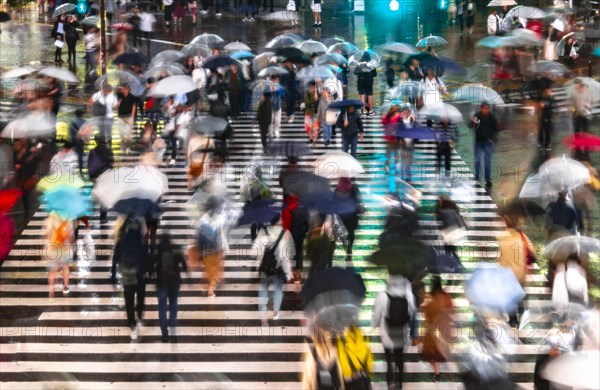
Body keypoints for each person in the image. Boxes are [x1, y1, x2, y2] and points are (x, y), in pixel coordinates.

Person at [371, 274, 416, 389]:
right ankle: (399, 383)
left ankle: (390, 381)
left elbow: (376, 314)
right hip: (400, 331)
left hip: (387, 332)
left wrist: (374, 326)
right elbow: (412, 313)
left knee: (388, 359)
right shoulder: (408, 295)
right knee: (399, 356)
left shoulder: (383, 295)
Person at [112, 216, 149, 340]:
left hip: (127, 277)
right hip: (140, 278)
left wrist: (113, 277)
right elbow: (147, 259)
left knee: (128, 302)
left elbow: (114, 260)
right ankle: (139, 316)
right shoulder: (141, 243)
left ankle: (132, 325)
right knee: (140, 298)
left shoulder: (121, 243)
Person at [497, 216, 535, 328]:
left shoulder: (501, 237)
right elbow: (532, 252)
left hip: (506, 273)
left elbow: (500, 255)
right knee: (520, 295)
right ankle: (522, 315)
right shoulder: (522, 236)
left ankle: (513, 320)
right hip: (520, 272)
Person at [255, 222, 294, 323]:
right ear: (278, 220)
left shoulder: (262, 231)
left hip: (265, 267)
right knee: (278, 290)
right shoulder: (285, 233)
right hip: (278, 268)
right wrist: (288, 272)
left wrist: (258, 264)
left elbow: (256, 250)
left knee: (263, 288)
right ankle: (275, 313)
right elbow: (287, 255)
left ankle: (262, 311)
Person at [155, 234, 187, 342]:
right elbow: (184, 265)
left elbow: (150, 264)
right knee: (173, 305)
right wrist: (188, 277)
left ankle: (165, 333)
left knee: (162, 308)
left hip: (162, 283)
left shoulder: (157, 250)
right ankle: (173, 327)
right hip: (174, 283)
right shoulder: (177, 249)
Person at [422, 276, 454, 382]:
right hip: (445, 330)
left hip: (433, 332)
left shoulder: (431, 301)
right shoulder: (446, 298)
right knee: (443, 352)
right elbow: (452, 312)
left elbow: (427, 316)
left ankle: (437, 374)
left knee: (432, 355)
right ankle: (448, 371)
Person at [469, 102, 499, 189]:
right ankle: (477, 177)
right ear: (481, 108)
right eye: (484, 108)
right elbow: (471, 126)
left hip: (488, 142)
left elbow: (496, 129)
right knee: (478, 161)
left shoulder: (492, 117)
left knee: (488, 162)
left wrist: (493, 139)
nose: (486, 110)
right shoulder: (477, 116)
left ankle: (487, 179)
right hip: (478, 142)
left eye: (487, 108)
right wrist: (472, 122)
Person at [45, 211, 75, 298]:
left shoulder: (51, 216)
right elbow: (71, 236)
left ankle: (51, 291)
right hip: (65, 248)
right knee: (65, 267)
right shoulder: (68, 217)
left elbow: (48, 233)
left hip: (53, 248)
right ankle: (65, 287)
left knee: (52, 270)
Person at [281, 194, 309, 284]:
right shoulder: (304, 209)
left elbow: (286, 224)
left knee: (288, 253)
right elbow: (307, 223)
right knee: (299, 253)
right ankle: (298, 271)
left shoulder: (288, 209)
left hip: (290, 234)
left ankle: (288, 272)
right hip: (300, 234)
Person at [335, 177, 363, 263]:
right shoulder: (354, 189)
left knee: (342, 232)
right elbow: (359, 200)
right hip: (351, 214)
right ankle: (349, 248)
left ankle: (345, 245)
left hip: (341, 215)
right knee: (351, 232)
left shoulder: (337, 190)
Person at [87, 135, 114, 224]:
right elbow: (112, 163)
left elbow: (90, 165)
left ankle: (89, 212)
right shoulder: (109, 151)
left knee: (97, 194)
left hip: (97, 176)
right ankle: (103, 217)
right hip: (106, 175)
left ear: (96, 141)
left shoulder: (92, 152)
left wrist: (91, 176)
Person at [13, 139, 40, 219]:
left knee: (27, 193)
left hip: (29, 175)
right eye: (15, 144)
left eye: (17, 144)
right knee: (24, 195)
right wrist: (16, 166)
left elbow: (35, 162)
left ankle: (30, 210)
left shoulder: (30, 152)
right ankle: (27, 211)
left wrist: (35, 173)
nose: (16, 146)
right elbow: (15, 163)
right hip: (21, 176)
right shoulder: (15, 154)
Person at [116, 84, 136, 154]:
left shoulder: (132, 97)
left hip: (128, 117)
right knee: (121, 133)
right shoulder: (119, 96)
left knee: (129, 136)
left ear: (128, 90)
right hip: (120, 117)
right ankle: (123, 146)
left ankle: (128, 147)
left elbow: (134, 106)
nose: (124, 91)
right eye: (123, 89)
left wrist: (132, 115)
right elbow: (115, 107)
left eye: (125, 89)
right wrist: (118, 103)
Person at [397, 106, 415, 182]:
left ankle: (408, 176)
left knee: (409, 161)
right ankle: (402, 175)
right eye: (403, 112)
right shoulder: (399, 121)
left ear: (409, 113)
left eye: (406, 112)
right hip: (402, 143)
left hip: (410, 143)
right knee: (403, 160)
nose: (405, 113)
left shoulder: (412, 121)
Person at [382, 103, 401, 174]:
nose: (393, 109)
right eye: (392, 108)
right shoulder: (388, 116)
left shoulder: (399, 116)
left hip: (396, 138)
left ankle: (396, 166)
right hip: (389, 138)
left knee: (396, 153)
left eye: (394, 108)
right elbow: (384, 123)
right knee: (388, 153)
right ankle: (387, 166)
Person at [69, 109, 85, 176]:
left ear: (75, 114)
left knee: (74, 157)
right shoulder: (85, 122)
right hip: (82, 142)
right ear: (82, 114)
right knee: (81, 157)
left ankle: (73, 173)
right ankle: (81, 172)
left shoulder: (72, 123)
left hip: (75, 142)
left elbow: (71, 135)